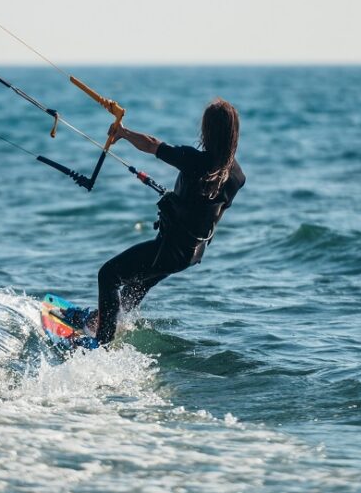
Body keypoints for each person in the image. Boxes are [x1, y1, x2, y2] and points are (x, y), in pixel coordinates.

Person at [83, 98, 245, 345]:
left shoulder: (194, 160)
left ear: (208, 130)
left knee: (108, 275)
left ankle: (102, 343)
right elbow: (213, 214)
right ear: (233, 134)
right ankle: (106, 321)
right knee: (135, 285)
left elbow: (152, 145)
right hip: (191, 254)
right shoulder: (237, 176)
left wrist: (123, 133)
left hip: (169, 250)